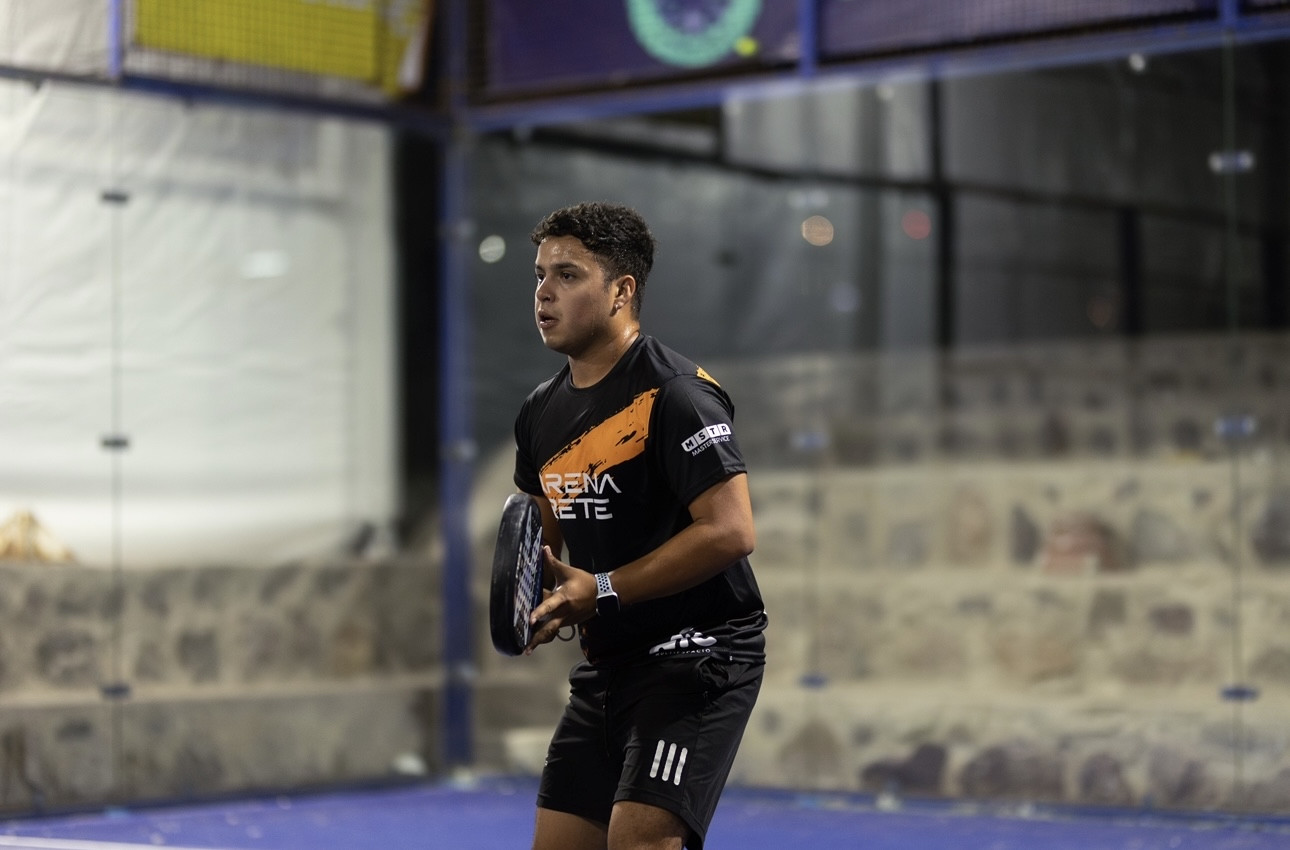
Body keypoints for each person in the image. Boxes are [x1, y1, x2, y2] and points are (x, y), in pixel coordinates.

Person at [512, 201, 768, 850]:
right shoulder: (539, 414)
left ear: (621, 291)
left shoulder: (677, 395)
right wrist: (536, 603)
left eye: (568, 275)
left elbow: (732, 531)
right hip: (608, 666)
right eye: (540, 275)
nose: (544, 292)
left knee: (640, 840)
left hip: (699, 657)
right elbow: (539, 544)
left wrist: (599, 590)